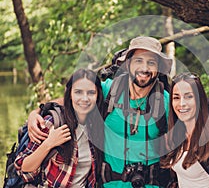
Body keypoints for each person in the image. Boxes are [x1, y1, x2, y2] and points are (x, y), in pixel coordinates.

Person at [26, 36, 173, 187]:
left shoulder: (167, 102)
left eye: (151, 62)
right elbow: (72, 97)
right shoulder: (109, 90)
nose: (144, 68)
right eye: (138, 61)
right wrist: (37, 112)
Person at [14, 69, 104, 187]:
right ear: (70, 94)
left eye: (91, 92)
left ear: (98, 96)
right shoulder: (53, 123)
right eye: (78, 92)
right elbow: (23, 169)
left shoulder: (96, 127)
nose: (85, 98)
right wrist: (49, 143)